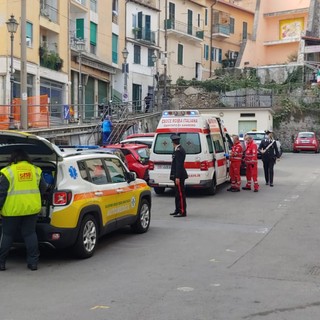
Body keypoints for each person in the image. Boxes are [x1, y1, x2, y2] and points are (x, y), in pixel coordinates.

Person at [0, 149, 48, 271]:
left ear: (14, 158)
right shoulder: (36, 170)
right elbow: (43, 188)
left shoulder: (7, 172)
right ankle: (33, 263)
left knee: (7, 235)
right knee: (30, 234)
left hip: (12, 210)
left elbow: (1, 193)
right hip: (31, 209)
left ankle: (1, 263)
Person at [169, 134, 188, 217]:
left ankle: (182, 211)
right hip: (177, 175)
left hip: (179, 176)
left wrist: (177, 177)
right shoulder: (176, 149)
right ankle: (177, 209)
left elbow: (179, 165)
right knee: (177, 193)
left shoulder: (179, 151)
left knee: (180, 193)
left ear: (173, 142)